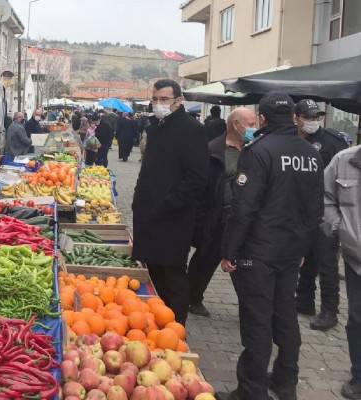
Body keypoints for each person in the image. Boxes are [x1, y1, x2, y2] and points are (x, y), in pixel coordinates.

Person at [218, 93, 324, 400]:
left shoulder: (258, 151)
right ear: (293, 118)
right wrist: (304, 249)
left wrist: (230, 252)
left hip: (259, 252)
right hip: (292, 250)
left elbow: (244, 207)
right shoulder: (310, 152)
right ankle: (285, 380)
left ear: (262, 119)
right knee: (285, 315)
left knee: (257, 319)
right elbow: (315, 207)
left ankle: (251, 390)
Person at [132, 79, 208, 325]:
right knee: (153, 271)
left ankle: (175, 328)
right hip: (148, 214)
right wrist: (138, 199)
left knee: (172, 274)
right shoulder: (156, 126)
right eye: (154, 99)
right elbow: (149, 169)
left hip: (173, 217)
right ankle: (157, 322)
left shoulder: (191, 129)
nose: (158, 104)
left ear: (179, 101)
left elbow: (197, 178)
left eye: (164, 99)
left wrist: (168, 204)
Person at [187, 107, 257, 317]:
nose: (254, 129)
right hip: (218, 216)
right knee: (206, 258)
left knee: (246, 263)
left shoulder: (255, 149)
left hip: (246, 216)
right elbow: (201, 185)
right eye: (250, 124)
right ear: (235, 124)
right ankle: (193, 297)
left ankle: (250, 305)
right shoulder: (213, 150)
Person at [293, 99, 348, 330]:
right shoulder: (291, 141)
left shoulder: (332, 142)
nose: (313, 122)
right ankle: (304, 301)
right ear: (296, 118)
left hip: (324, 212)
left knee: (326, 263)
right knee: (305, 260)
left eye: (317, 117)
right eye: (308, 117)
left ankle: (329, 311)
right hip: (298, 212)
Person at [321, 145, 361, 400]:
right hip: (356, 258)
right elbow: (325, 197)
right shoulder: (343, 160)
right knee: (357, 319)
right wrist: (339, 229)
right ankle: (359, 376)